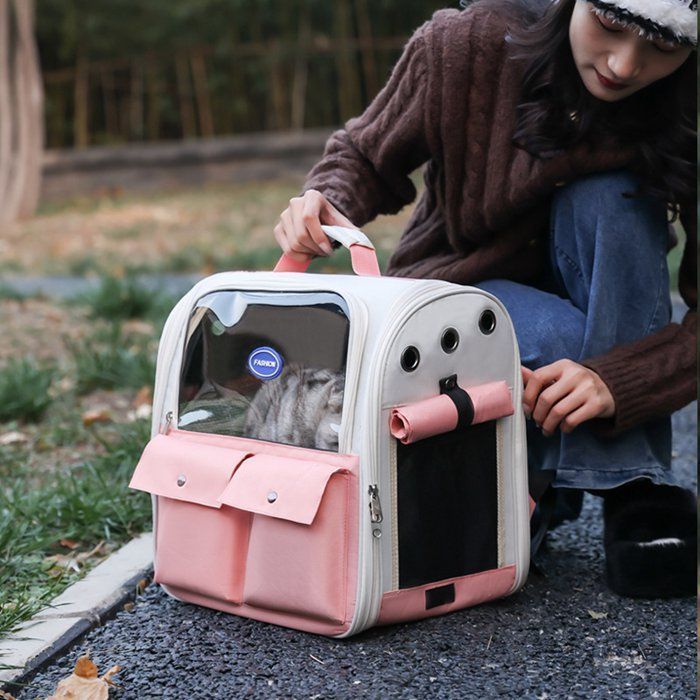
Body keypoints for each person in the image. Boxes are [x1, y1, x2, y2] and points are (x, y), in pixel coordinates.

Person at [273, 0, 697, 597]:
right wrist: (325, 199)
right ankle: (558, 479)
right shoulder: (465, 45)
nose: (623, 66)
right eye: (608, 27)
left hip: (603, 312)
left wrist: (617, 381)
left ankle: (628, 486)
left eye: (663, 48)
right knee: (558, 341)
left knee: (616, 197)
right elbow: (366, 154)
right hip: (461, 289)